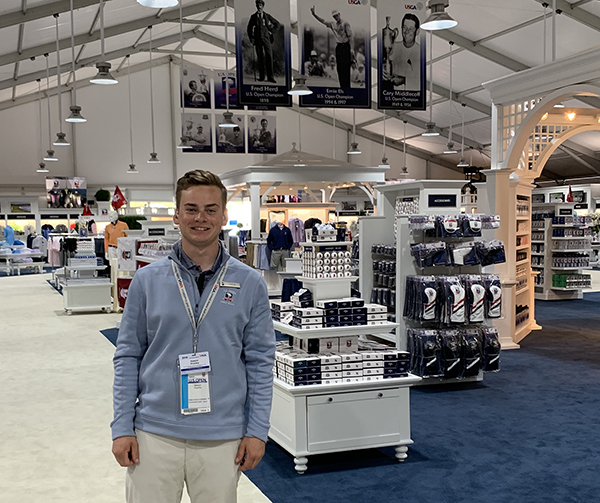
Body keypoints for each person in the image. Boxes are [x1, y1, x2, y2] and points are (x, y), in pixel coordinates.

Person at [111, 170, 276, 503]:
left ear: (224, 215)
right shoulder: (147, 280)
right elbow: (128, 355)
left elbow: (260, 361)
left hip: (222, 437)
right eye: (191, 208)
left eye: (211, 209)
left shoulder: (250, 282)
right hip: (153, 434)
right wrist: (122, 427)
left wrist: (257, 431)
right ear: (176, 214)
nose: (201, 218)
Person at [310, 6, 355, 88]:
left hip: (346, 46)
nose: (336, 17)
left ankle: (347, 87)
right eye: (334, 16)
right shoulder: (332, 24)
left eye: (337, 15)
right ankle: (342, 86)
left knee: (345, 68)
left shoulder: (345, 23)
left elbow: (350, 37)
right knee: (339, 68)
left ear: (339, 14)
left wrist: (352, 49)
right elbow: (323, 21)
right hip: (339, 47)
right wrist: (314, 14)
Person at [382, 13, 421, 91]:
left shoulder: (420, 52)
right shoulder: (393, 47)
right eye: (404, 27)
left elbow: (420, 79)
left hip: (411, 98)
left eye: (411, 29)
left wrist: (404, 80)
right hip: (390, 95)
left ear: (417, 32)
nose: (406, 31)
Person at [247, 0, 280, 83]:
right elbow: (249, 28)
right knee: (260, 58)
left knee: (269, 57)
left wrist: (271, 31)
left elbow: (277, 24)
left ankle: (270, 77)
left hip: (266, 39)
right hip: (258, 40)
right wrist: (252, 38)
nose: (259, 6)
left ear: (263, 6)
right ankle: (261, 77)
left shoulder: (267, 16)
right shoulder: (253, 17)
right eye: (258, 5)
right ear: (256, 6)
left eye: (260, 5)